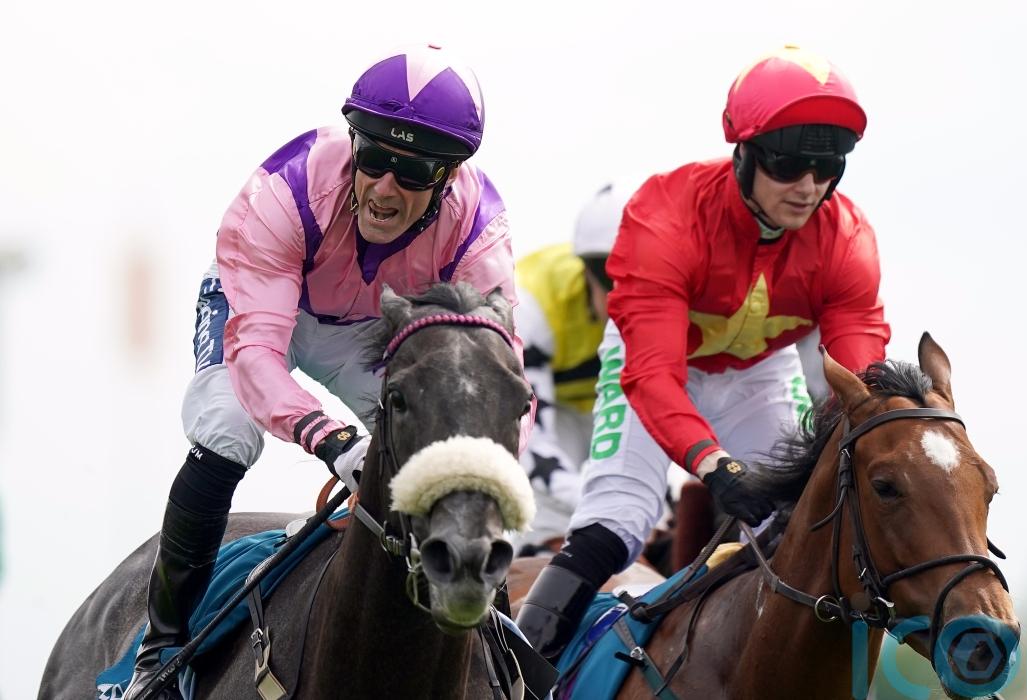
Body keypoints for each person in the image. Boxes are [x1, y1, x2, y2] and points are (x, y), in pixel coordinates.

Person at [126, 45, 527, 697]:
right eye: (373, 159)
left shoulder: (478, 232)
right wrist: (333, 440)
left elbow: (499, 390)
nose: (385, 189)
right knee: (227, 429)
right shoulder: (286, 190)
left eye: (412, 171)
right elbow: (256, 355)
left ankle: (499, 647)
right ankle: (161, 650)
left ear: (449, 175)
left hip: (368, 327)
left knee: (453, 431)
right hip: (264, 313)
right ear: (353, 143)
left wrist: (484, 468)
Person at [516, 45, 891, 659]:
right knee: (618, 519)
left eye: (829, 166)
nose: (809, 187)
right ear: (744, 151)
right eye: (789, 163)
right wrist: (713, 465)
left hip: (758, 370)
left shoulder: (847, 239)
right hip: (655, 362)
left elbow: (858, 386)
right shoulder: (665, 214)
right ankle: (517, 674)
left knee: (801, 523)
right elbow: (654, 378)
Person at [513, 182, 632, 554]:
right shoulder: (533, 301)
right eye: (609, 277)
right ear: (586, 269)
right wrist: (588, 499)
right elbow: (530, 436)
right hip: (551, 412)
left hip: (608, 404)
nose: (622, 293)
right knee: (552, 511)